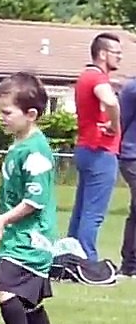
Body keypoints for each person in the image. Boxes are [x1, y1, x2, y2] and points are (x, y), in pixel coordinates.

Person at [0, 72, 62, 324]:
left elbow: (35, 201)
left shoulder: (35, 152)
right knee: (30, 302)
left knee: (4, 290)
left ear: (30, 114)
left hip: (30, 240)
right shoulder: (22, 145)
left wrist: (3, 219)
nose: (1, 118)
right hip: (22, 237)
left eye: (7, 112)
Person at [67, 33, 123, 262]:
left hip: (85, 148)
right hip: (101, 150)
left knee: (81, 210)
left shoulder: (84, 77)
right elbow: (110, 101)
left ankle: (69, 256)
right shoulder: (97, 78)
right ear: (102, 54)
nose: (120, 57)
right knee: (93, 212)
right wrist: (115, 124)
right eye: (116, 53)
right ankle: (87, 262)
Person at [119, 77, 136, 278]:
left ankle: (130, 263)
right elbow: (120, 122)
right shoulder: (132, 88)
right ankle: (130, 264)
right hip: (132, 156)